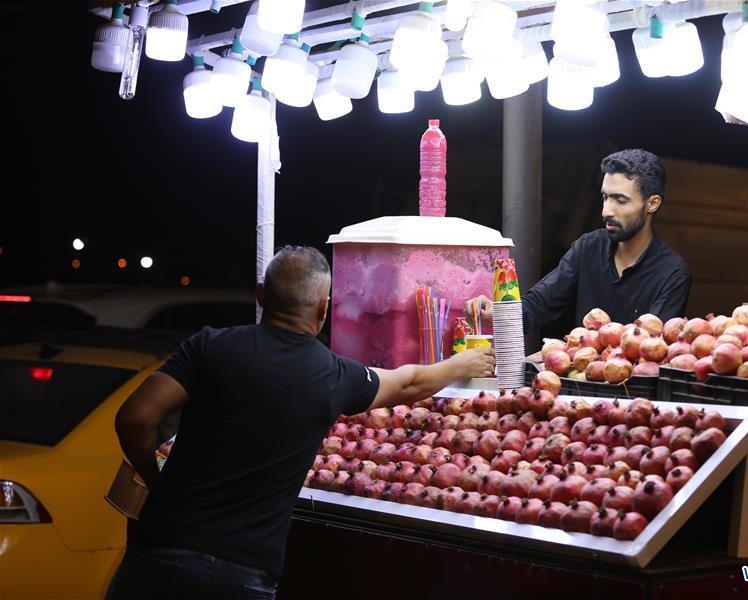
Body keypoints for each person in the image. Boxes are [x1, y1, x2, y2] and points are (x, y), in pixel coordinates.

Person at [107, 246, 495, 600]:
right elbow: (408, 383)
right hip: (243, 572)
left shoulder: (210, 346)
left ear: (261, 296)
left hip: (160, 550)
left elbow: (135, 418)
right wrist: (461, 365)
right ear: (324, 309)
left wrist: (152, 478)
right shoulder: (332, 375)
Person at [466, 148, 692, 332]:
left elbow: (653, 345)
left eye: (620, 200)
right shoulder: (588, 247)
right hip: (575, 381)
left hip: (632, 386)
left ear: (652, 204)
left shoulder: (673, 273)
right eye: (605, 198)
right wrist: (499, 313)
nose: (606, 211)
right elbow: (539, 305)